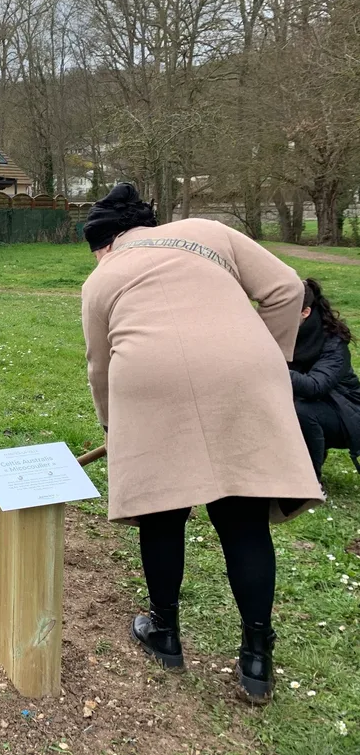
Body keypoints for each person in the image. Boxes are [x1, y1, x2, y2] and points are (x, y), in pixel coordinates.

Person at [80, 182, 323, 705]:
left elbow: (99, 368)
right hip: (243, 372)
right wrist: (268, 357)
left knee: (162, 512)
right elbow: (288, 291)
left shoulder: (101, 277)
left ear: (107, 242)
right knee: (242, 516)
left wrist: (111, 426)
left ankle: (164, 633)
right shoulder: (209, 231)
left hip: (149, 380)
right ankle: (257, 656)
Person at [289, 278, 360, 485]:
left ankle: (310, 484)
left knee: (302, 411)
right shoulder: (285, 334)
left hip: (347, 412)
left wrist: (274, 366)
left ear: (306, 312)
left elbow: (315, 386)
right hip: (318, 405)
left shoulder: (333, 342)